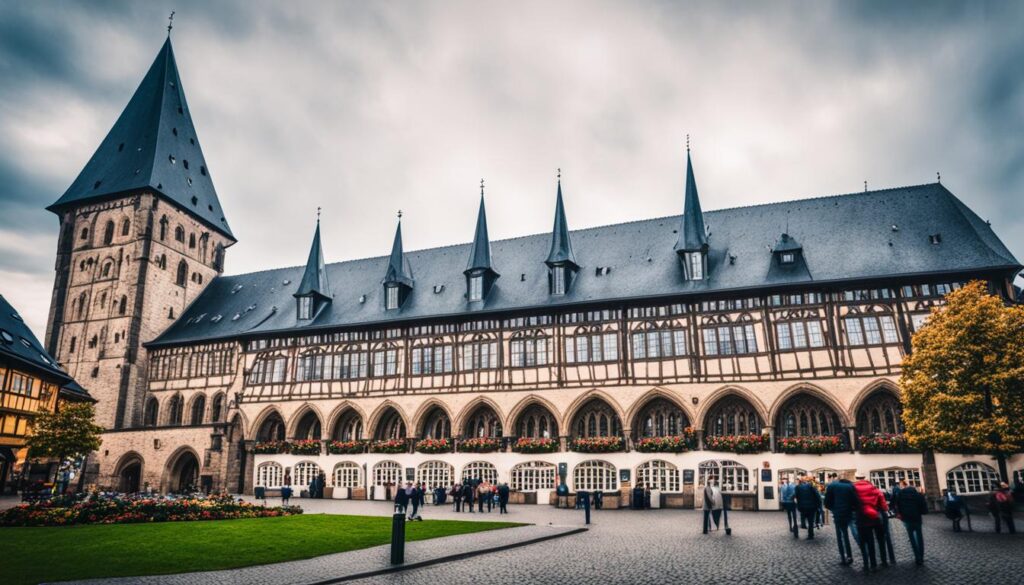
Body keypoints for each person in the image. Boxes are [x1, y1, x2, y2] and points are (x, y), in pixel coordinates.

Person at [854, 474, 890, 572]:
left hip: (862, 517)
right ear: (865, 479)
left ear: (856, 479)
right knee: (881, 539)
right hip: (875, 517)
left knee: (867, 541)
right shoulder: (873, 488)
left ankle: (870, 564)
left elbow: (852, 503)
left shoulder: (853, 489)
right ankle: (884, 560)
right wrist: (885, 509)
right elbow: (882, 500)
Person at [824, 474, 857, 566]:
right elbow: (855, 501)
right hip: (850, 513)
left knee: (841, 536)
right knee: (855, 533)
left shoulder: (832, 486)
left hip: (838, 514)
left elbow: (826, 503)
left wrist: (834, 509)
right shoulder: (851, 486)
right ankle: (865, 556)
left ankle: (844, 557)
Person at [894, 480, 928, 565]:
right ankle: (921, 556)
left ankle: (917, 556)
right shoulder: (918, 495)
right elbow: (923, 507)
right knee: (919, 537)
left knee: (912, 537)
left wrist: (901, 514)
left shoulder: (900, 494)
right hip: (917, 518)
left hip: (907, 518)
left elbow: (897, 505)